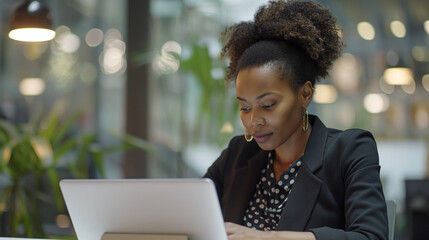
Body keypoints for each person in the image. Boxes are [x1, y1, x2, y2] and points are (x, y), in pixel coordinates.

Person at [203, 0, 388, 240]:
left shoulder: (350, 150)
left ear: (305, 94)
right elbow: (191, 214)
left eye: (267, 105)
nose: (253, 121)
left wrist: (266, 237)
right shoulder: (239, 153)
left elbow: (370, 236)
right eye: (245, 107)